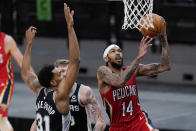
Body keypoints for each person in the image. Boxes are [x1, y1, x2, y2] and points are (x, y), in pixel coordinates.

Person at [97, 24, 171, 131]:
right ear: (106, 58)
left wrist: (163, 38)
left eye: (119, 51)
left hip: (138, 121)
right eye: (113, 52)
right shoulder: (102, 72)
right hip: (118, 126)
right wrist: (139, 57)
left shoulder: (133, 69)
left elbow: (165, 66)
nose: (118, 53)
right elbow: (120, 81)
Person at [21, 3, 80, 131]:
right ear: (53, 82)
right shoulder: (60, 96)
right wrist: (70, 27)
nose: (64, 73)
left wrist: (29, 44)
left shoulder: (40, 90)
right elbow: (75, 61)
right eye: (60, 73)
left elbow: (26, 73)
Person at [30, 59, 106, 131]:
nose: (63, 74)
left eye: (65, 71)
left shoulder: (83, 91)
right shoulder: (50, 93)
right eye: (60, 72)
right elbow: (38, 120)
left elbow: (100, 122)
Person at [0, 19, 23, 131]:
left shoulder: (6, 40)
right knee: (2, 121)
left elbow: (23, 63)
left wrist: (37, 83)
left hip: (4, 82)